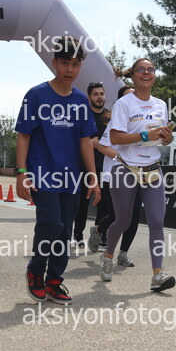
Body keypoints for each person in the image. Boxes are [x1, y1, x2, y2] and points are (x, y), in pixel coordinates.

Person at [16, 36, 100, 304]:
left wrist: (93, 177)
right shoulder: (36, 95)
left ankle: (54, 281)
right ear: (54, 63)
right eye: (65, 63)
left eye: (75, 64)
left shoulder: (81, 100)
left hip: (71, 178)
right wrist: (21, 173)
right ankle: (35, 272)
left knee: (64, 231)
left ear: (80, 66)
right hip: (42, 173)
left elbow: (85, 141)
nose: (70, 69)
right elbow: (24, 135)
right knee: (51, 224)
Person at [98, 58, 176, 292]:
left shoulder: (160, 104)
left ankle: (157, 274)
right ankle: (108, 255)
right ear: (132, 75)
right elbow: (115, 138)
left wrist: (167, 138)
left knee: (157, 221)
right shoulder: (124, 104)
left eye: (151, 70)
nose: (146, 73)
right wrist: (144, 135)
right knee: (123, 221)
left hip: (152, 168)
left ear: (154, 76)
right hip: (126, 169)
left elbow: (161, 139)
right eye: (141, 70)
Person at [88, 85, 141, 267]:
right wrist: (122, 158)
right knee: (117, 216)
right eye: (128, 97)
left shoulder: (142, 122)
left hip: (137, 175)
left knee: (134, 216)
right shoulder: (114, 123)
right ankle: (99, 230)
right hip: (114, 175)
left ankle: (123, 253)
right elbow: (100, 146)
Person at [72, 82, 110, 247]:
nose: (99, 97)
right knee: (82, 203)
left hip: (105, 167)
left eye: (101, 94)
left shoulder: (109, 117)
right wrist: (90, 143)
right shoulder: (83, 115)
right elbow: (74, 139)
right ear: (89, 97)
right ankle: (78, 235)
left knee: (105, 205)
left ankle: (100, 235)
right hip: (84, 167)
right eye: (95, 94)